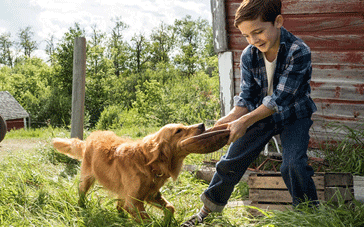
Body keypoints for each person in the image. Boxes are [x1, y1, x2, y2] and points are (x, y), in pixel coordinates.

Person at [181, 0, 319, 226]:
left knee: (293, 164)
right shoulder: (249, 55)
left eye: (258, 32)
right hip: (260, 115)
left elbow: (279, 100)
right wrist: (227, 120)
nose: (253, 40)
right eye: (246, 36)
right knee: (230, 160)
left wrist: (244, 121)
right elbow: (247, 97)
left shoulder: (298, 51)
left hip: (294, 115)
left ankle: (309, 216)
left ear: (278, 22)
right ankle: (207, 211)